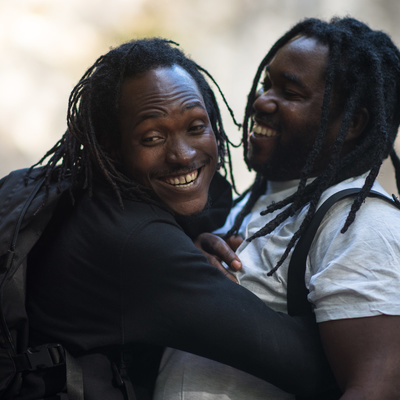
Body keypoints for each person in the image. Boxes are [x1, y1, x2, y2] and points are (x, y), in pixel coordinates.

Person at [12, 38, 339, 400]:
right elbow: (307, 367)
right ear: (111, 147)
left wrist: (184, 242)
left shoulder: (91, 201)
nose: (182, 155)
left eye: (196, 127)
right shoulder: (135, 242)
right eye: (152, 137)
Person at [154, 17, 400, 400]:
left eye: (290, 92)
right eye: (267, 84)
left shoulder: (360, 226)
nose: (262, 100)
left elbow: (376, 389)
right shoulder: (256, 204)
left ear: (351, 123)